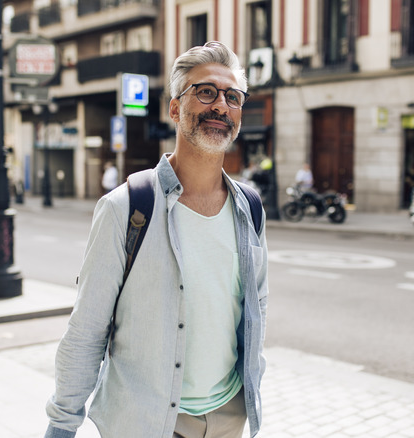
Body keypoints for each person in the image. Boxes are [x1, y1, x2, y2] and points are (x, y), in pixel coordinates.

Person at [45, 41, 269, 438]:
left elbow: (255, 309)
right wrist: (62, 425)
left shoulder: (249, 207)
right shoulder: (126, 207)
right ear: (174, 108)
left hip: (228, 420)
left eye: (232, 97)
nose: (221, 105)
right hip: (147, 423)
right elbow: (87, 330)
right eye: (206, 92)